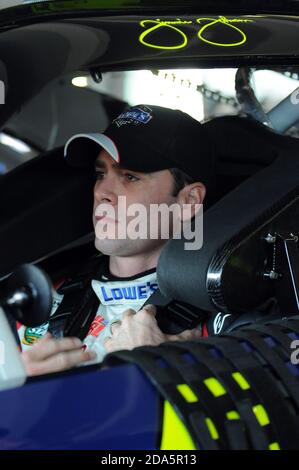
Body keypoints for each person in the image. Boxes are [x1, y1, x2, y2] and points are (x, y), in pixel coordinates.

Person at [19, 104, 215, 376]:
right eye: (101, 174)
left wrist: (160, 372)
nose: (103, 192)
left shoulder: (214, 321)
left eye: (130, 176)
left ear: (188, 200)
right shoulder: (45, 291)